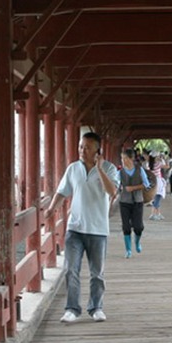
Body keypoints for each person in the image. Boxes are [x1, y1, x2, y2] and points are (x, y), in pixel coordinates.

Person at [46, 131, 120, 322]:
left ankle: (96, 307)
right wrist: (51, 209)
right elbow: (62, 191)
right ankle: (72, 309)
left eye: (87, 147)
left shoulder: (110, 169)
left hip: (98, 229)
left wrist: (99, 168)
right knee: (71, 270)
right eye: (80, 146)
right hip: (75, 228)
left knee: (97, 273)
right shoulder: (73, 169)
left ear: (98, 150)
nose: (82, 150)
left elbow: (112, 191)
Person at [116, 149, 149, 258]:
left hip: (138, 201)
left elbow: (146, 185)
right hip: (124, 201)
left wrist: (133, 188)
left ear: (131, 159)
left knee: (138, 226)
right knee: (126, 226)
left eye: (125, 158)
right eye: (122, 159)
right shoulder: (120, 172)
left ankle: (137, 242)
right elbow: (115, 185)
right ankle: (128, 250)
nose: (123, 161)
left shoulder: (140, 170)